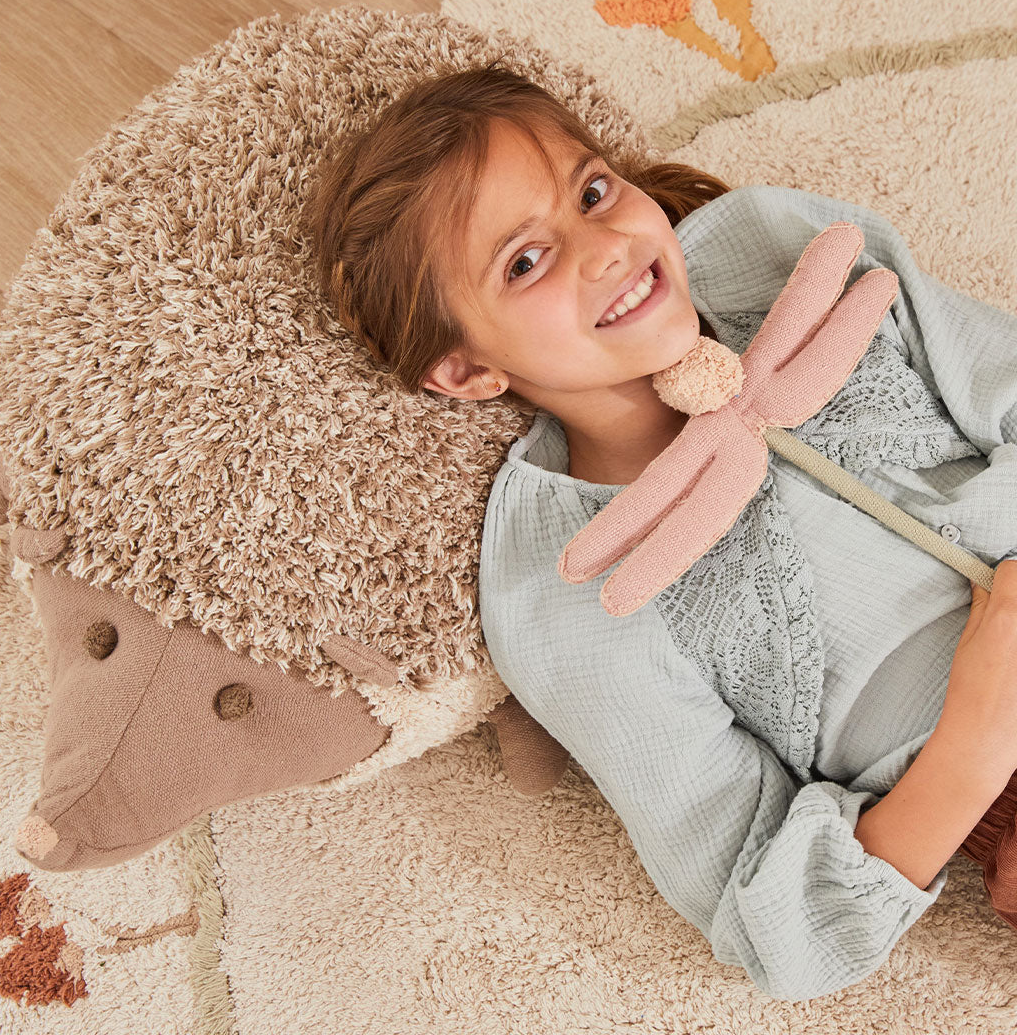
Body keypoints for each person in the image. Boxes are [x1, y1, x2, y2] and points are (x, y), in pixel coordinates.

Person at [306, 59, 1017, 1002]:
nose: (604, 246)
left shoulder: (780, 253)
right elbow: (771, 918)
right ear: (467, 372)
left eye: (594, 191)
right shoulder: (566, 585)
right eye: (525, 262)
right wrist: (973, 745)